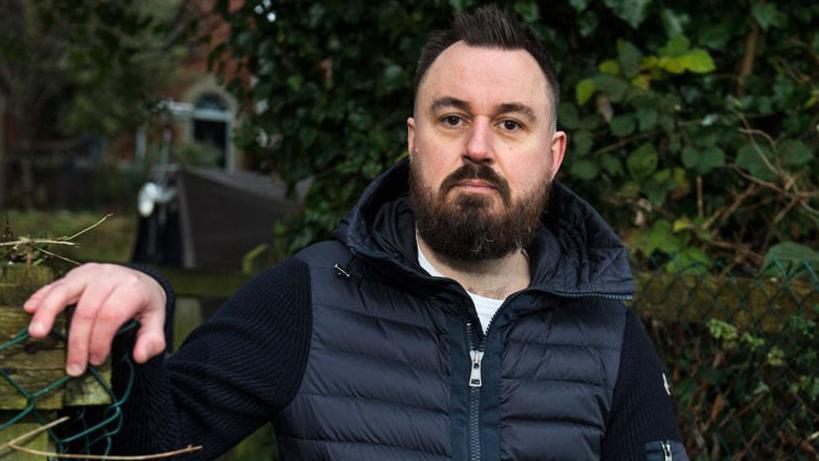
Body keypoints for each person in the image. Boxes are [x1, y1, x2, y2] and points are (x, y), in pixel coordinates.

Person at [24, 5, 689, 460]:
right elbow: (149, 447)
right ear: (412, 140)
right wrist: (133, 316)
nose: (478, 146)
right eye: (451, 118)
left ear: (552, 155)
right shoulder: (310, 295)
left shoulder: (608, 335)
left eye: (511, 123)